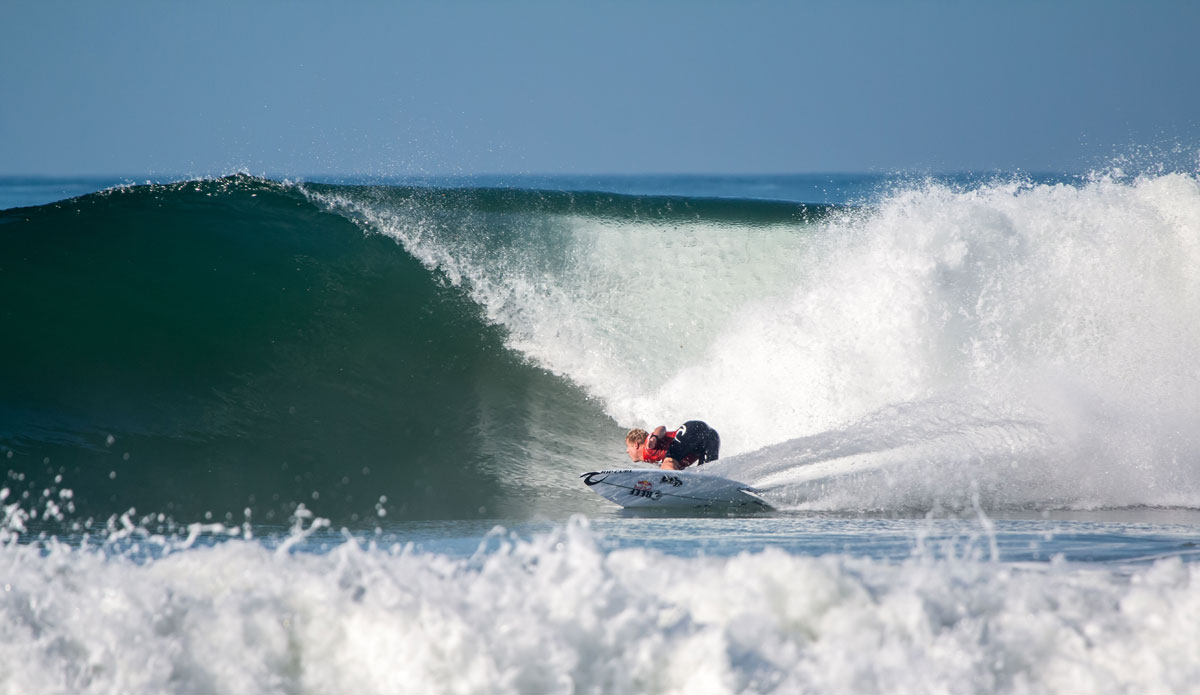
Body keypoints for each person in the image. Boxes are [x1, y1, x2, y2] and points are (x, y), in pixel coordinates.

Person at [624, 420, 720, 470]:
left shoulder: (648, 446)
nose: (627, 451)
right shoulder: (656, 459)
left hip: (693, 429)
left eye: (628, 446)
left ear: (636, 445)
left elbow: (661, 428)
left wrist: (655, 437)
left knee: (668, 464)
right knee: (706, 474)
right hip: (711, 437)